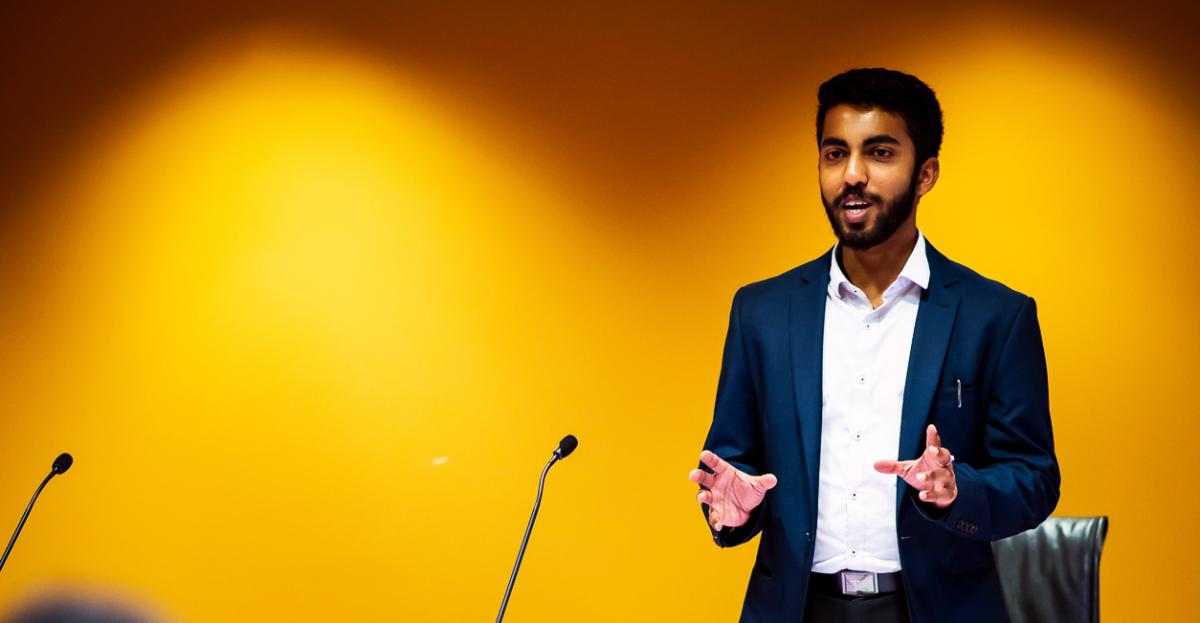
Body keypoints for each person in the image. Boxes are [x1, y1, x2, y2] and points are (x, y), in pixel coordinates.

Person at [688, 68, 1060, 623]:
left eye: (879, 153)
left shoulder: (996, 316)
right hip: (795, 608)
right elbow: (733, 464)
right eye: (835, 154)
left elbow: (1034, 477)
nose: (853, 175)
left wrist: (956, 489)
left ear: (925, 173)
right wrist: (736, 509)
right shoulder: (760, 312)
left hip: (937, 610)